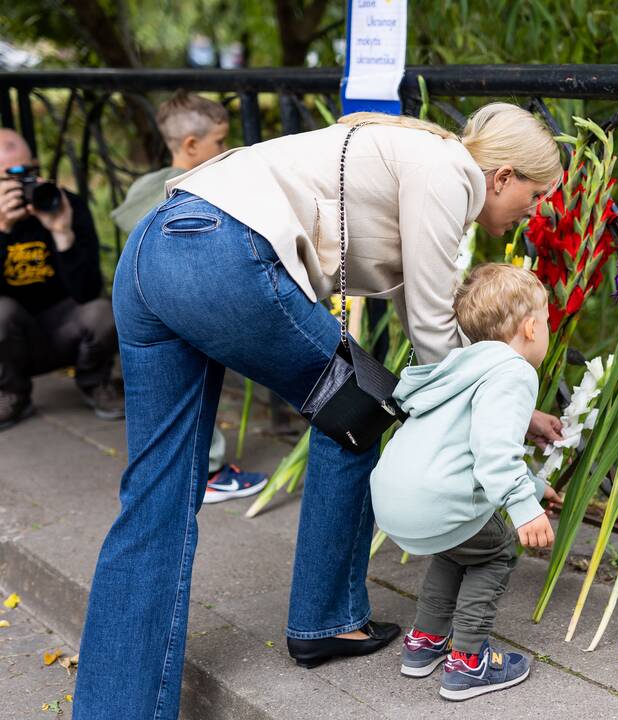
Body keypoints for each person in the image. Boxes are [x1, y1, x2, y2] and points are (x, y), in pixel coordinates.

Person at [73, 103, 564, 720]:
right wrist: (500, 414)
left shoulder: (420, 156)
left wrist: (516, 414)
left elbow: (434, 336)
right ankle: (327, 618)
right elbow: (434, 330)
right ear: (502, 175)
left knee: (154, 498)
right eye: (536, 192)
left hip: (152, 249)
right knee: (360, 407)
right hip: (221, 254)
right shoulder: (451, 172)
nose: (535, 208)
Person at [369, 263, 557, 701]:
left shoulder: (461, 364)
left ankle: (424, 643)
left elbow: (469, 446)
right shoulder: (514, 372)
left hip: (398, 496)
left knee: (456, 549)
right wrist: (525, 509)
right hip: (437, 498)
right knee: (495, 550)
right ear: (531, 327)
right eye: (547, 322)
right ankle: (470, 661)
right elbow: (493, 449)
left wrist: (532, 485)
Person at [112, 91, 266, 504]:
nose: (226, 149)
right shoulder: (197, 190)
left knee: (167, 398)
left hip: (144, 302)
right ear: (193, 145)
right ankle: (209, 473)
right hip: (187, 300)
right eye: (220, 141)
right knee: (196, 388)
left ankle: (178, 477)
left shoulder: (148, 185)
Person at [0, 129, 123, 429]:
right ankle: (10, 393)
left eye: (27, 174)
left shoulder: (66, 205)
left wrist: (61, 232)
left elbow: (88, 291)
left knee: (103, 312)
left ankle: (95, 383)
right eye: (8, 178)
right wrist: (2, 229)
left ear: (37, 166)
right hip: (10, 336)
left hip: (64, 328)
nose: (20, 186)